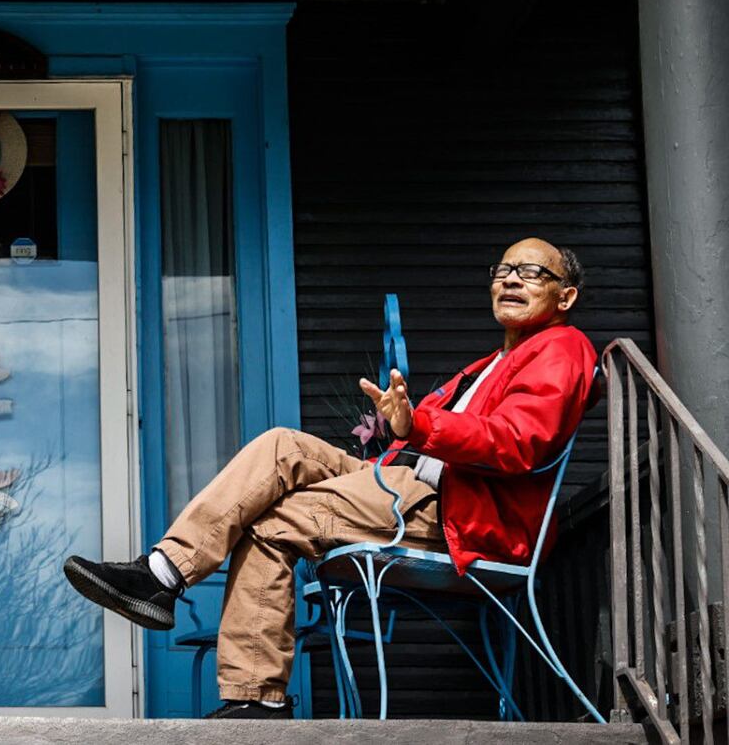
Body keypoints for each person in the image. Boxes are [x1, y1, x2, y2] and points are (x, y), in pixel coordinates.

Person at [63, 237, 597, 719]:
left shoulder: (561, 347)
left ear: (565, 297)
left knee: (279, 521)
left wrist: (421, 422)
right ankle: (161, 572)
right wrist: (400, 427)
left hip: (460, 511)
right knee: (281, 446)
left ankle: (256, 700)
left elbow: (519, 441)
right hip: (409, 485)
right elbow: (429, 437)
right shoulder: (490, 363)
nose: (509, 280)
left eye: (530, 273)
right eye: (503, 269)